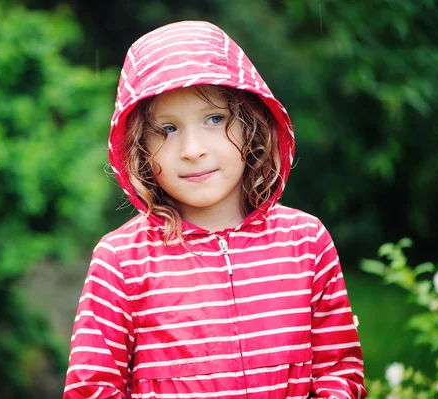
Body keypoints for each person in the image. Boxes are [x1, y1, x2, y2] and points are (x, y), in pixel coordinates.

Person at [63, 20, 366, 399]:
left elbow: (340, 371)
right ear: (141, 147)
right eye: (167, 129)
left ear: (251, 125)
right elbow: (92, 388)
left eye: (214, 119)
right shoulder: (120, 261)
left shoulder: (305, 242)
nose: (192, 149)